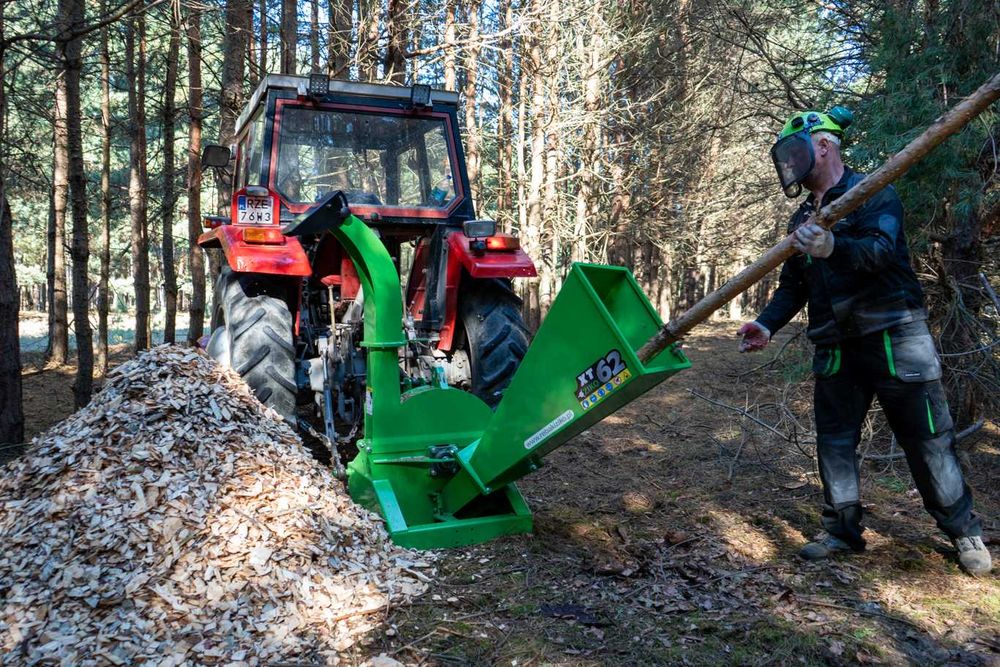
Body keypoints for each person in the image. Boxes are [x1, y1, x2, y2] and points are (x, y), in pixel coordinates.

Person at [739, 108, 992, 575]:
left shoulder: (873, 193)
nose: (789, 162)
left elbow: (878, 252)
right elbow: (794, 284)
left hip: (896, 335)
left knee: (929, 440)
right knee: (835, 442)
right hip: (835, 345)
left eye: (796, 150)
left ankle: (963, 531)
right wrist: (767, 324)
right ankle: (841, 530)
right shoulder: (801, 217)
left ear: (823, 145)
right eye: (784, 155)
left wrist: (832, 246)